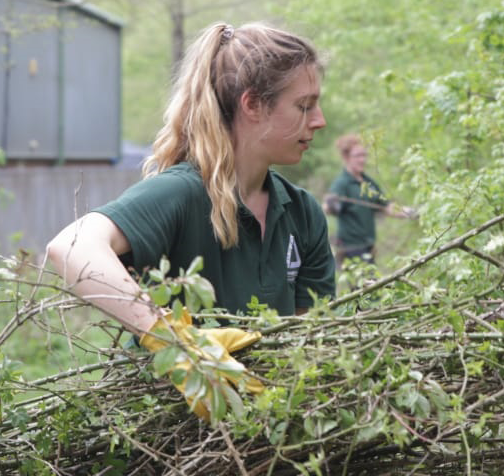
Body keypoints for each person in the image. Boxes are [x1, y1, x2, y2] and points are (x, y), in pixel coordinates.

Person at [46, 22, 335, 419]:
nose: (318, 120)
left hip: (260, 447)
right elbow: (70, 247)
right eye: (303, 106)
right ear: (252, 105)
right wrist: (173, 344)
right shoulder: (181, 193)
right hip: (162, 455)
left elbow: (310, 346)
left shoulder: (302, 214)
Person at [323, 134, 416, 267]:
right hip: (351, 249)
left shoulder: (368, 183)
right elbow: (327, 207)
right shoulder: (342, 184)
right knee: (364, 285)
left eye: (364, 155)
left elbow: (386, 207)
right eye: (357, 156)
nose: (362, 160)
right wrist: (330, 205)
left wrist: (410, 212)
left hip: (369, 247)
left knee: (372, 284)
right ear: (346, 157)